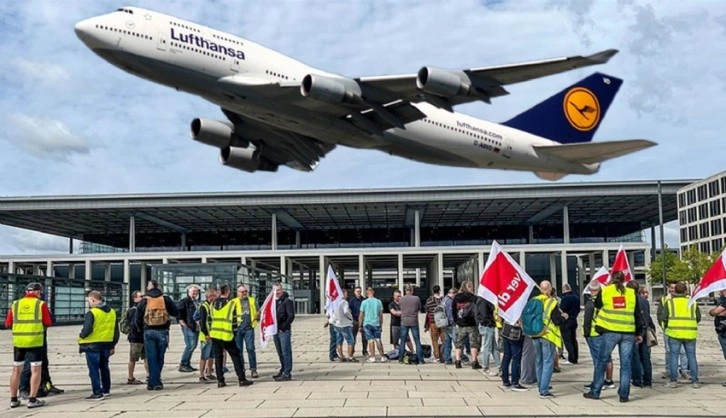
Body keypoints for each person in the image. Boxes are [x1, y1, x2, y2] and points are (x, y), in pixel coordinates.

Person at [583, 271, 644, 403]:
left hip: (610, 331)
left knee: (601, 361)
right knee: (626, 364)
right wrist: (639, 333)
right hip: (628, 331)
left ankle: (596, 391)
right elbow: (637, 314)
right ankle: (624, 395)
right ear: (624, 280)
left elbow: (597, 305)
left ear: (611, 279)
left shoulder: (606, 291)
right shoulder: (631, 293)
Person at [7, 282, 52, 409]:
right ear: (39, 292)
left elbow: (7, 323)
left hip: (18, 341)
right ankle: (32, 400)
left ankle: (13, 399)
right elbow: (48, 322)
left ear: (26, 291)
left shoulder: (15, 304)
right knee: (35, 370)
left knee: (16, 370)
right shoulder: (40, 304)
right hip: (35, 341)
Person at [201, 284, 253, 388]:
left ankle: (220, 381)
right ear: (228, 292)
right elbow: (234, 321)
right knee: (236, 356)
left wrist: (210, 333)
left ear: (220, 292)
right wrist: (234, 333)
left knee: (218, 358)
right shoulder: (231, 304)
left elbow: (209, 320)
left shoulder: (212, 304)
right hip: (227, 334)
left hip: (215, 335)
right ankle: (241, 379)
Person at [134, 280, 179, 391]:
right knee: (160, 357)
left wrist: (141, 329)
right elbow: (176, 312)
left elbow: (137, 318)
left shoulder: (144, 301)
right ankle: (155, 381)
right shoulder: (165, 299)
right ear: (158, 287)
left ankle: (153, 382)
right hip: (163, 331)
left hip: (148, 331)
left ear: (149, 288)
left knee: (151, 357)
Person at [19, 286, 63, 399]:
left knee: (42, 362)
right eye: (35, 290)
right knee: (30, 365)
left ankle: (46, 385)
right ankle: (23, 389)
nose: (37, 292)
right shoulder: (38, 304)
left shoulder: (20, 304)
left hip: (35, 338)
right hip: (33, 339)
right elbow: (50, 321)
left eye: (38, 290)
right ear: (27, 292)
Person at [78, 290, 119, 400]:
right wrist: (113, 345)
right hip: (106, 344)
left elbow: (87, 329)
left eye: (89, 301)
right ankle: (106, 390)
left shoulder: (92, 312)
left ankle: (97, 392)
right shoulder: (112, 312)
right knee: (104, 367)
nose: (89, 303)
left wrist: (81, 335)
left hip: (93, 345)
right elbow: (116, 331)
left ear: (93, 300)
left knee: (94, 369)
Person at [660, 281, 700, 389]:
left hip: (674, 333)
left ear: (675, 291)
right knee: (692, 356)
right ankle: (695, 381)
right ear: (686, 291)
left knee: (673, 356)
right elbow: (698, 317)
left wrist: (669, 326)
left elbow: (663, 317)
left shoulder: (670, 302)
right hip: (690, 333)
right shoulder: (693, 302)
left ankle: (673, 381)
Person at [532, 281, 567, 399]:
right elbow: (557, 321)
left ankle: (541, 384)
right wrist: (564, 317)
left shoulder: (534, 300)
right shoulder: (552, 302)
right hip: (547, 335)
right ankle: (544, 390)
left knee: (539, 361)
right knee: (548, 362)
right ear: (550, 289)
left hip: (535, 334)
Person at [582, 280, 614, 391]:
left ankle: (597, 382)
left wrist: (586, 334)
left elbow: (587, 320)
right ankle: (609, 381)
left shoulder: (591, 303)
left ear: (590, 290)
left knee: (597, 360)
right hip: (605, 332)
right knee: (608, 358)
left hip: (594, 334)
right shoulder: (606, 301)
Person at [657, 282, 689, 380]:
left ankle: (684, 371)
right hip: (669, 329)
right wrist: (664, 326)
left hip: (683, 329)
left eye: (675, 288)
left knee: (683, 352)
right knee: (668, 351)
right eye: (671, 288)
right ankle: (669, 370)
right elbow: (660, 314)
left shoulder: (687, 299)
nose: (673, 290)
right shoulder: (664, 299)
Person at [453, 280, 481, 370]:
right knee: (474, 343)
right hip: (472, 324)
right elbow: (478, 311)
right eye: (470, 286)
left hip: (460, 324)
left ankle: (457, 361)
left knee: (459, 343)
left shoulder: (457, 297)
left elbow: (453, 310)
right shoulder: (473, 298)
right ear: (468, 287)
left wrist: (456, 320)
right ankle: (474, 361)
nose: (472, 287)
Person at [631, 283, 655, 388]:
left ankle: (637, 379)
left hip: (636, 330)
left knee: (635, 356)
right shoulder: (644, 301)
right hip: (645, 329)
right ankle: (647, 380)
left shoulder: (631, 300)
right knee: (645, 357)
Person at [234, 285, 260, 378]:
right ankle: (241, 369)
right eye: (242, 291)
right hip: (238, 329)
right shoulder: (234, 302)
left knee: (250, 349)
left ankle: (253, 369)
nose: (244, 293)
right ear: (238, 293)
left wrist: (258, 316)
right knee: (239, 350)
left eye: (245, 291)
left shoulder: (252, 300)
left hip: (249, 328)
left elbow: (258, 311)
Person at [273, 282, 295, 381]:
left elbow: (291, 316)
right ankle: (283, 368)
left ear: (282, 290)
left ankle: (287, 372)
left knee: (286, 352)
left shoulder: (287, 301)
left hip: (283, 331)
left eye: (278, 290)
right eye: (275, 290)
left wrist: (284, 326)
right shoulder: (272, 302)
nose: (277, 292)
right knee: (280, 352)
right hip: (275, 330)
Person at [359, 287, 387, 362]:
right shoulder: (379, 302)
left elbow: (361, 315)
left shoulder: (364, 302)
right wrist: (381, 325)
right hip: (376, 323)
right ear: (373, 292)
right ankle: (382, 356)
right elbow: (381, 315)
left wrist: (360, 325)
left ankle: (372, 357)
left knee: (370, 340)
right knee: (378, 339)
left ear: (367, 292)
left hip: (367, 323)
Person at [398, 285, 425, 364]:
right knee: (417, 340)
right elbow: (419, 308)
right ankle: (420, 359)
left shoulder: (401, 299)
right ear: (412, 290)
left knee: (402, 341)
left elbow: (400, 308)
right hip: (414, 321)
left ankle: (400, 359)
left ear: (405, 290)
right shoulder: (416, 298)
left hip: (404, 321)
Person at [177, 285, 201, 373]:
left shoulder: (196, 302)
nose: (195, 293)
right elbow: (178, 312)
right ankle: (183, 364)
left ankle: (187, 363)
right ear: (188, 292)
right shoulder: (185, 301)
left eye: (196, 291)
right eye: (193, 291)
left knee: (193, 345)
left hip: (196, 327)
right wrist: (183, 323)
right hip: (189, 326)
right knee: (190, 345)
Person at [196, 287, 217, 382]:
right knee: (204, 356)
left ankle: (209, 373)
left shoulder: (212, 305)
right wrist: (206, 334)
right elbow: (202, 322)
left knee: (212, 355)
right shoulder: (203, 306)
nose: (216, 297)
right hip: (206, 336)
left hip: (213, 334)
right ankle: (201, 375)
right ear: (210, 296)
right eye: (215, 295)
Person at [126, 290, 148, 385]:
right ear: (135, 298)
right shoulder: (134, 310)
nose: (143, 298)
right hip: (135, 338)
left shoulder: (143, 309)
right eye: (141, 296)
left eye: (143, 296)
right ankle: (130, 377)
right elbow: (133, 324)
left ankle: (149, 375)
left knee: (147, 357)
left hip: (143, 337)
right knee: (133, 358)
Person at [476, 293, 498, 375]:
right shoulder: (483, 300)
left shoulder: (483, 299)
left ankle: (499, 366)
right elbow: (484, 314)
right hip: (487, 326)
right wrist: (489, 323)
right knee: (487, 347)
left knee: (493, 347)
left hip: (488, 325)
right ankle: (485, 367)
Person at [333, 289, 358, 362]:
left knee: (339, 341)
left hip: (337, 324)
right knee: (351, 341)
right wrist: (351, 318)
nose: (347, 295)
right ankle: (350, 357)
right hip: (345, 324)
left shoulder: (335, 302)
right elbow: (346, 311)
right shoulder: (344, 302)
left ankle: (341, 356)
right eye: (346, 294)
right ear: (343, 294)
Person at [559, 283, 581, 364]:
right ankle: (575, 358)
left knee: (567, 341)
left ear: (564, 290)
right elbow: (578, 309)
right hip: (574, 320)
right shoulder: (576, 297)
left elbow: (561, 310)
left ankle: (571, 359)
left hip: (566, 322)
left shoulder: (565, 298)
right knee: (573, 340)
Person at [708, 289, 726, 387]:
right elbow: (712, 312)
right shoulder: (722, 300)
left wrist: (716, 312)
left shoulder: (725, 301)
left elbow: (714, 312)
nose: (719, 291)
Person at [424, 285, 443, 362]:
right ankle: (444, 354)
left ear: (433, 291)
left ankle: (437, 356)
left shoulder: (429, 300)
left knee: (434, 340)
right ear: (439, 290)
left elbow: (426, 309)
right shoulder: (443, 299)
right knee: (444, 339)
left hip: (433, 321)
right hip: (442, 322)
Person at [348, 287, 368, 357]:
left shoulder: (364, 300)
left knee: (365, 338)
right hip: (355, 320)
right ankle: (352, 350)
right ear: (354, 292)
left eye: (359, 291)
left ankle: (365, 351)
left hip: (363, 321)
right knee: (353, 337)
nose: (359, 293)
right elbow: (349, 311)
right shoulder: (352, 300)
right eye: (357, 291)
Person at [441, 287, 457, 364]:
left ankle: (447, 358)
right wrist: (452, 322)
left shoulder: (444, 300)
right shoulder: (450, 301)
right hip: (450, 324)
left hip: (444, 323)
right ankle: (461, 357)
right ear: (453, 293)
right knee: (456, 341)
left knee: (447, 342)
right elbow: (450, 314)